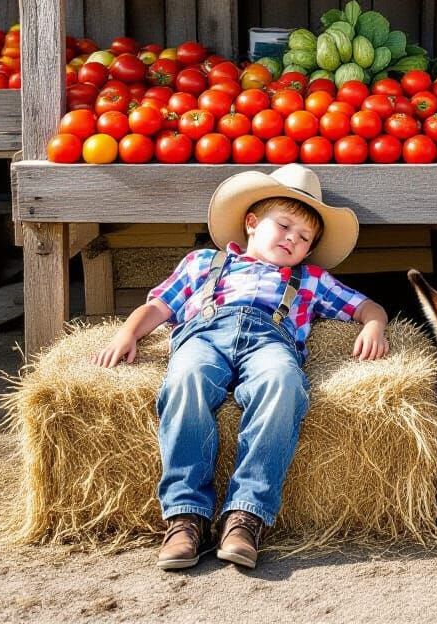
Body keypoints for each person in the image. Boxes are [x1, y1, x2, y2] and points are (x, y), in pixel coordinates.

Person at [94, 164, 389, 570]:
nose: (292, 239)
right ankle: (186, 516)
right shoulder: (203, 263)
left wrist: (374, 324)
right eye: (284, 226)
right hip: (203, 338)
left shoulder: (311, 279)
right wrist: (127, 335)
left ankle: (245, 515)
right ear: (251, 223)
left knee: (284, 384)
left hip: (270, 341)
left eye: (304, 238)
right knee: (185, 380)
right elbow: (158, 306)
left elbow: (366, 306)